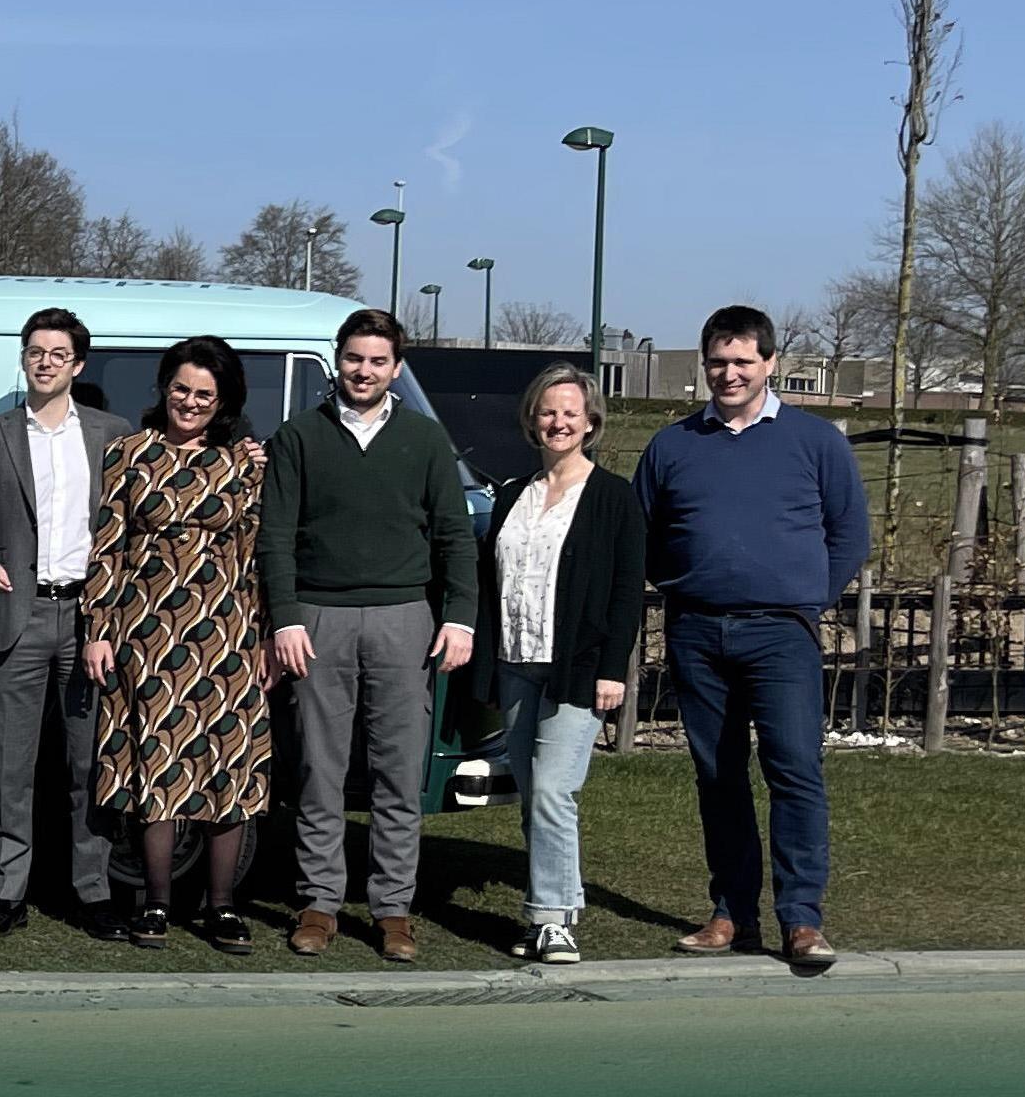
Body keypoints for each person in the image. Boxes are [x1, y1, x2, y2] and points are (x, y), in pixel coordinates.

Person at [634, 304, 867, 971]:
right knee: (718, 775)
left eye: (742, 361)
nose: (729, 373)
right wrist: (686, 582)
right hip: (697, 631)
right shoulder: (672, 446)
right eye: (718, 361)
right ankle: (731, 913)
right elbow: (642, 534)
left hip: (781, 634)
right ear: (703, 364)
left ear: (770, 364)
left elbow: (849, 534)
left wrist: (806, 599)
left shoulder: (815, 442)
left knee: (794, 770)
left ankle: (801, 920)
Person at [261, 306, 476, 964]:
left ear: (395, 367)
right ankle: (318, 903)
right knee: (318, 771)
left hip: (404, 619)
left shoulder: (424, 439)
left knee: (398, 772)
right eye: (354, 358)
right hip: (317, 620)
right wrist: (285, 617)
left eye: (378, 360)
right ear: (338, 360)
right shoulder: (298, 436)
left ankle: (392, 909)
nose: (364, 370)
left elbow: (453, 532)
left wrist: (460, 616)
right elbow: (275, 536)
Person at [0, 307, 133, 939]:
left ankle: (92, 892)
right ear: (23, 359)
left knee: (89, 765)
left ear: (78, 364)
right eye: (35, 352)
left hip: (88, 620)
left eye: (57, 353)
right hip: (14, 618)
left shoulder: (113, 435)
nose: (45, 362)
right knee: (9, 766)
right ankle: (7, 890)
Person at [82, 336, 271, 953]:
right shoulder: (129, 454)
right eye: (181, 389)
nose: (190, 402)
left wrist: (264, 637)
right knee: (157, 767)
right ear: (164, 388)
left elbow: (257, 556)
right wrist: (98, 629)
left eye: (204, 395)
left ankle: (222, 907)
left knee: (226, 769)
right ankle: (156, 904)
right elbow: (108, 548)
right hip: (146, 636)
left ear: (224, 401)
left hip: (228, 636)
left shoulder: (245, 464)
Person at [479, 364, 648, 964]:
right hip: (516, 663)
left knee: (554, 791)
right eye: (549, 412)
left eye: (571, 413)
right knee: (533, 797)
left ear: (590, 422)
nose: (559, 422)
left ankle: (553, 920)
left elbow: (626, 591)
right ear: (533, 419)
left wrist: (612, 669)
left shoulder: (613, 498)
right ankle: (549, 911)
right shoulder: (512, 495)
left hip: (577, 669)